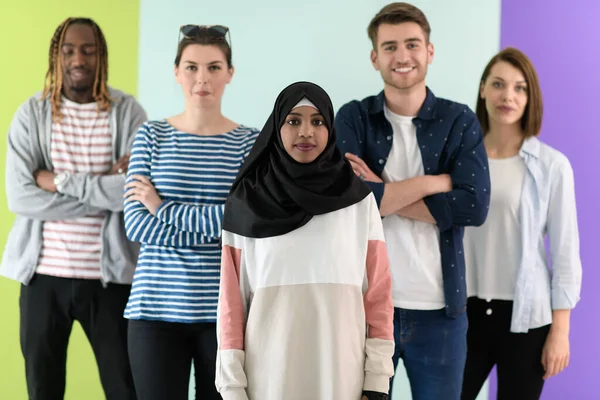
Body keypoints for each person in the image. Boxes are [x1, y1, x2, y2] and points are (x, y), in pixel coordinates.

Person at [334, 3, 491, 399]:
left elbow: (473, 207)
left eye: (412, 44)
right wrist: (435, 182)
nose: (402, 56)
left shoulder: (460, 121)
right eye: (389, 47)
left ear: (429, 51)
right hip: (365, 310)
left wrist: (382, 192)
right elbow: (345, 202)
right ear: (374, 57)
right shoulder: (353, 118)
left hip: (440, 313)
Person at [215, 81, 394, 400]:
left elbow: (378, 296)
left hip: (342, 380)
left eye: (318, 121)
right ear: (277, 127)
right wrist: (232, 388)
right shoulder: (247, 204)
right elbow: (231, 306)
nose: (306, 132)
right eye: (294, 121)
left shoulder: (358, 202)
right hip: (268, 383)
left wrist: (377, 382)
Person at [1, 17, 146, 399]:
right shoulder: (31, 115)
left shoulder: (129, 113)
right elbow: (20, 197)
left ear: (101, 55)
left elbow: (133, 194)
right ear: (56, 56)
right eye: (68, 50)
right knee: (42, 389)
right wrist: (103, 190)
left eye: (87, 49)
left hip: (111, 278)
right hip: (43, 278)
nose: (77, 58)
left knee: (125, 388)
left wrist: (61, 180)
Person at [123, 24, 259, 400]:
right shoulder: (151, 136)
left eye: (214, 67)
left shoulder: (249, 142)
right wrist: (217, 223)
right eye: (192, 67)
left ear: (229, 73)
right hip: (153, 311)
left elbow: (248, 222)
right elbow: (135, 225)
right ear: (177, 72)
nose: (203, 78)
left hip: (226, 312)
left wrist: (162, 208)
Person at [461, 47, 582, 400]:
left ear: (530, 97)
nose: (507, 96)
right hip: (464, 313)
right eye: (498, 84)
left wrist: (560, 331)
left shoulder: (551, 166)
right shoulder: (460, 159)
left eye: (519, 87)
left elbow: (565, 254)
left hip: (526, 318)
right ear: (483, 89)